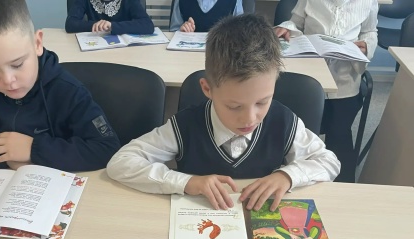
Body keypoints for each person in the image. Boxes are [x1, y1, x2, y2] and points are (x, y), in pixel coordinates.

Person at [107, 14, 340, 211]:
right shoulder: (185, 125)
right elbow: (121, 162)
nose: (249, 118)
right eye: (234, 106)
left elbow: (329, 162)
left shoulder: (285, 121)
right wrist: (186, 182)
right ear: (207, 89)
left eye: (262, 102)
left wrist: (287, 176)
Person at [0, 0, 120, 172]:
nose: (8, 80)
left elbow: (106, 148)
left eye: (17, 64)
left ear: (37, 43)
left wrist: (33, 150)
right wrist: (5, 154)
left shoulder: (68, 90)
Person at [274, 0, 378, 183]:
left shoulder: (368, 2)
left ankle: (343, 185)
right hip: (310, 75)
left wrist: (367, 45)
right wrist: (287, 28)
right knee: (302, 132)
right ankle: (293, 175)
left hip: (345, 79)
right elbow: (295, 23)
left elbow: (370, 31)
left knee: (340, 134)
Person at [65, 0, 154, 35]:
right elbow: (70, 23)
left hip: (126, 52)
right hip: (95, 48)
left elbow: (147, 25)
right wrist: (98, 25)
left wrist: (112, 26)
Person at [169, 0, 243, 32]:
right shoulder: (180, 1)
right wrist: (182, 32)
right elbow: (173, 32)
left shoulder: (235, 1)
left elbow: (241, 34)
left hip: (222, 55)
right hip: (187, 54)